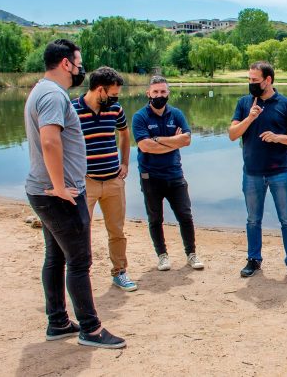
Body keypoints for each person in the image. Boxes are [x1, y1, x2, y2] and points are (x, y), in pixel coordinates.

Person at [24, 39, 126, 349]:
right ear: (66, 63)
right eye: (78, 62)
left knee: (55, 257)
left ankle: (57, 322)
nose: (81, 68)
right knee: (79, 261)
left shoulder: (41, 91)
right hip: (59, 193)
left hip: (46, 190)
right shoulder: (53, 95)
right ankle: (91, 330)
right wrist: (58, 186)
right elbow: (50, 142)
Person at [228, 61, 287, 282]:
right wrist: (250, 117)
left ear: (268, 80)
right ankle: (254, 259)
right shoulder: (244, 104)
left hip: (280, 172)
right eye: (249, 80)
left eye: (255, 80)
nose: (251, 83)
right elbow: (233, 134)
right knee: (253, 219)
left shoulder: (286, 104)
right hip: (252, 172)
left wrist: (278, 137)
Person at [72, 66, 136, 291]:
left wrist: (125, 162)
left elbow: (125, 134)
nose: (116, 99)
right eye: (113, 94)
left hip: (113, 181)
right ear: (100, 90)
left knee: (117, 230)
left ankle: (119, 272)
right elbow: (62, 144)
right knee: (81, 231)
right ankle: (80, 276)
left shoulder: (115, 109)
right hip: (85, 183)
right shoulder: (72, 109)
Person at [131, 76, 204, 271]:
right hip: (150, 176)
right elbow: (145, 146)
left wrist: (159, 140)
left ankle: (191, 254)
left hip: (174, 174)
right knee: (155, 218)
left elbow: (187, 140)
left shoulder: (176, 114)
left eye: (163, 92)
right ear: (148, 93)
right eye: (155, 92)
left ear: (168, 93)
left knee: (185, 216)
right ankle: (162, 255)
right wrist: (173, 141)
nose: (159, 95)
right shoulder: (140, 117)